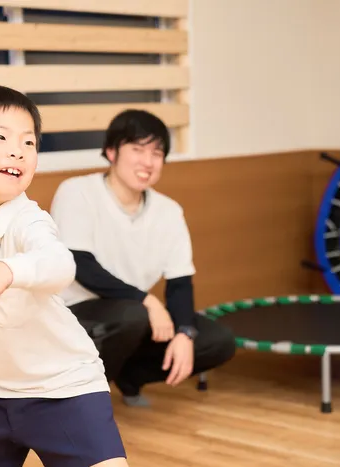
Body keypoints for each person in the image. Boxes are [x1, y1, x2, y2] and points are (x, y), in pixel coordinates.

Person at [0, 85, 129, 467]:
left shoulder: (28, 218)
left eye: (29, 142)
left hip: (65, 390)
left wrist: (5, 271)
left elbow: (60, 263)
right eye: (0, 137)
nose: (19, 150)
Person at [49, 109, 236, 408]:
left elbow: (180, 283)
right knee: (133, 315)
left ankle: (129, 376)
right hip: (76, 314)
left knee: (216, 340)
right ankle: (80, 402)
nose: (147, 162)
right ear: (111, 152)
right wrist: (146, 300)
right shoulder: (77, 192)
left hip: (130, 314)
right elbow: (80, 265)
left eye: (157, 153)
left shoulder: (168, 211)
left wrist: (185, 334)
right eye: (137, 150)